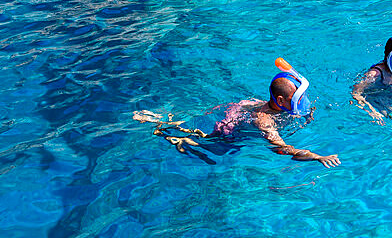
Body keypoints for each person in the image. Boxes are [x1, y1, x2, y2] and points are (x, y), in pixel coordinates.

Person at [133, 58, 340, 168]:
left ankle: (167, 123)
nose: (301, 102)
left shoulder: (268, 104)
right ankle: (159, 127)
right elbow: (283, 149)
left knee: (194, 131)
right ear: (280, 101)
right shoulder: (265, 122)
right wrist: (316, 156)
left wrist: (308, 114)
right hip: (228, 134)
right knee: (198, 142)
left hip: (235, 114)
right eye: (297, 99)